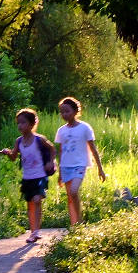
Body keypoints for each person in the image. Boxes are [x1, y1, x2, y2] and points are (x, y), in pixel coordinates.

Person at [2, 108, 57, 244]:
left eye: (23, 122)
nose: (20, 126)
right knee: (30, 204)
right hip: (27, 178)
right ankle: (33, 232)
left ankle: (36, 232)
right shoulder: (19, 141)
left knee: (37, 200)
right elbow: (14, 157)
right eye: (18, 123)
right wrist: (7, 152)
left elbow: (52, 149)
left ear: (32, 124)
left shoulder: (39, 139)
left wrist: (51, 162)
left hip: (40, 176)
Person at [55, 96, 106, 227]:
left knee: (73, 192)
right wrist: (60, 173)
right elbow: (61, 152)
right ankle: (74, 224)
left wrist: (100, 169)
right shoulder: (61, 130)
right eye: (62, 112)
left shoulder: (85, 128)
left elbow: (93, 149)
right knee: (70, 197)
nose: (64, 114)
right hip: (66, 166)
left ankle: (80, 222)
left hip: (80, 165)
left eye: (67, 111)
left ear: (76, 111)